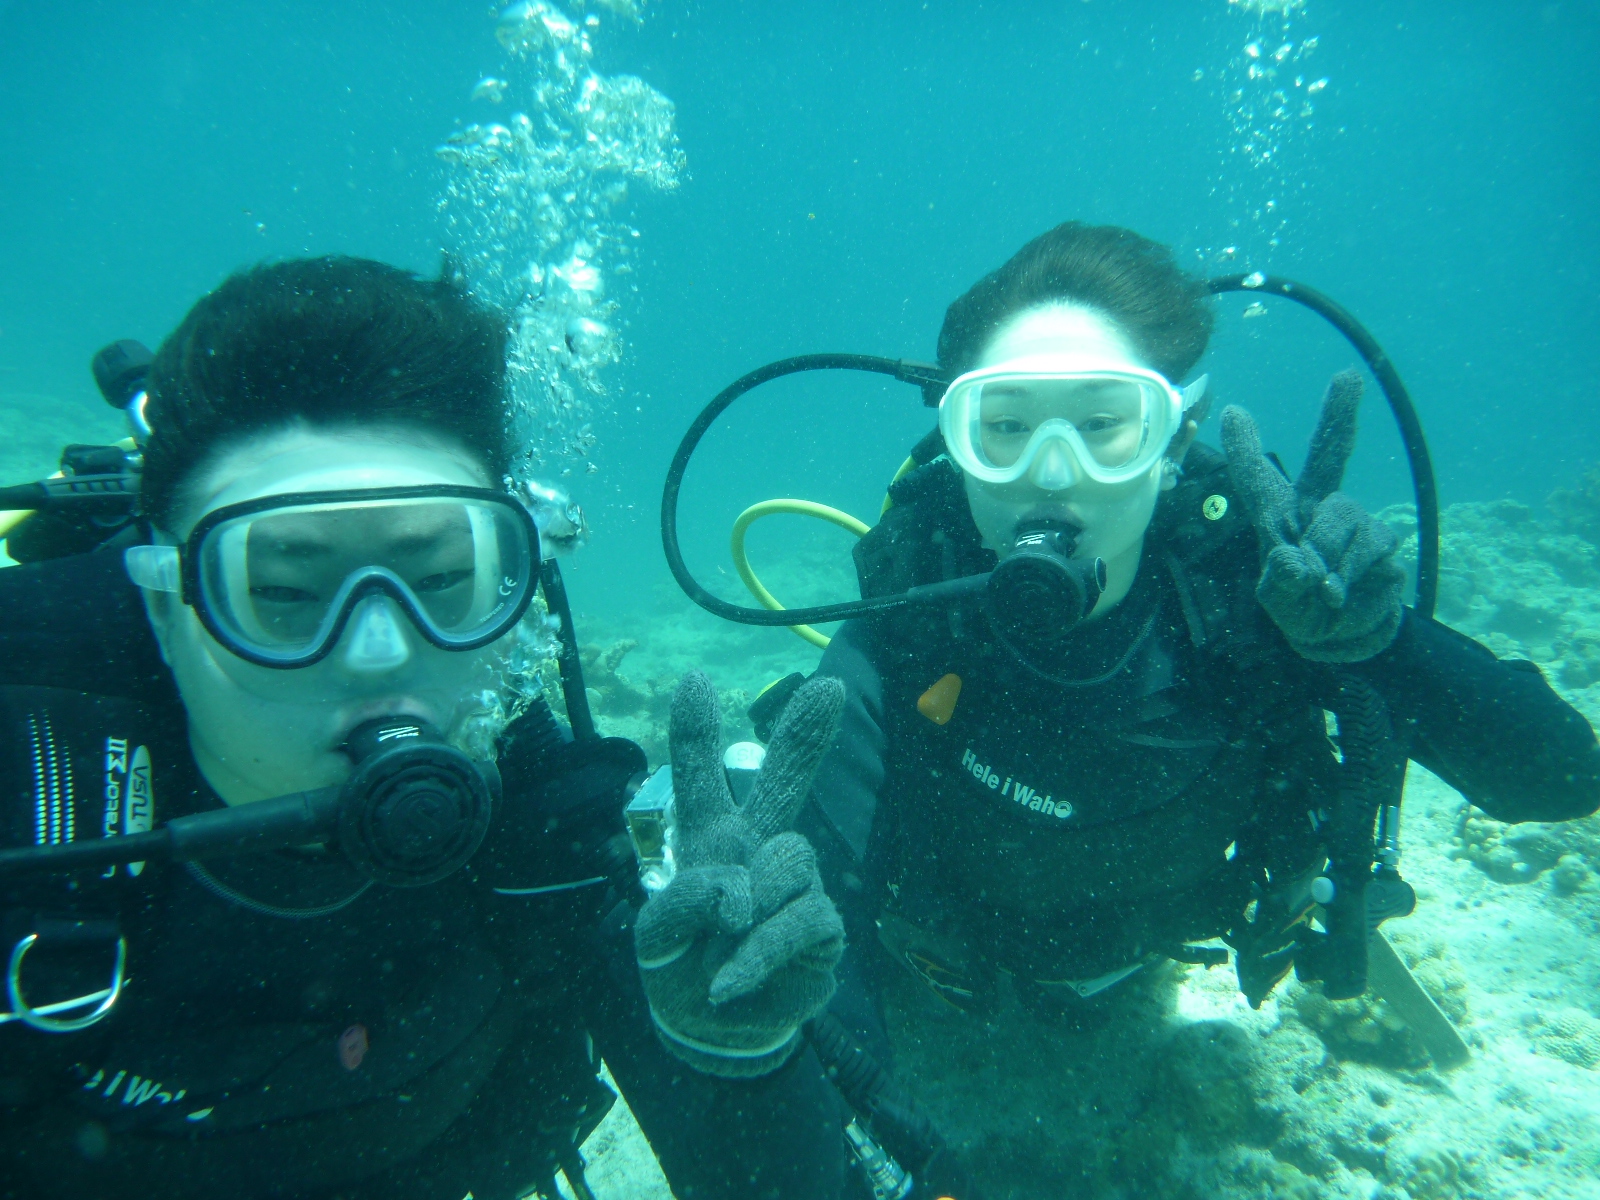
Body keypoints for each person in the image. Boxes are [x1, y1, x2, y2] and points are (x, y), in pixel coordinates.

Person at [645, 221, 1600, 1190]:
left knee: (1088, 1000)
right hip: (951, 957)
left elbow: (1562, 776)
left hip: (1155, 944)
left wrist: (1382, 643)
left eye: (1104, 424)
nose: (1052, 473)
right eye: (1004, 427)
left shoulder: (1264, 595)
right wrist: (751, 1035)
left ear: (1175, 435)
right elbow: (822, 922)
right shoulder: (909, 626)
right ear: (956, 446)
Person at [0, 257, 852, 1200]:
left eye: (443, 579)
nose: (379, 653)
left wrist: (736, 1049)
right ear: (165, 607)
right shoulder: (26, 763)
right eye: (283, 590)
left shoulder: (548, 823)